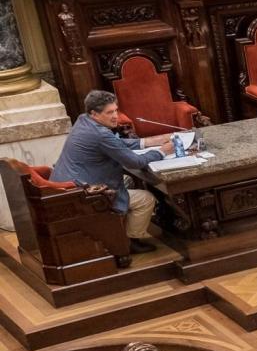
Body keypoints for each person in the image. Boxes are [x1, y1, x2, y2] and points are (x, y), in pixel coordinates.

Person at [49, 90, 171, 254]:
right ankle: (129, 241)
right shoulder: (100, 134)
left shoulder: (83, 120)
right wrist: (162, 151)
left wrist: (147, 142)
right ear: (94, 113)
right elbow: (134, 162)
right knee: (146, 199)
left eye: (116, 110)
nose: (116, 116)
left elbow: (115, 144)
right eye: (109, 112)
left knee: (128, 181)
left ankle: (121, 231)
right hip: (86, 196)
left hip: (69, 187)